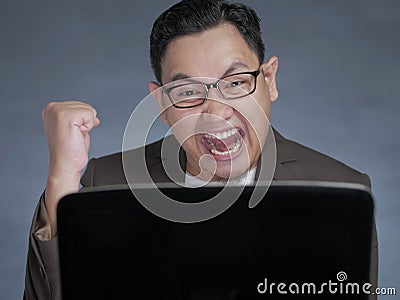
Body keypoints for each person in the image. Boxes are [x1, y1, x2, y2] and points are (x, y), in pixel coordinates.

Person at [24, 0, 378, 299]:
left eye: (236, 82)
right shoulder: (107, 184)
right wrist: (62, 177)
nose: (216, 111)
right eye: (189, 91)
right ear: (160, 103)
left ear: (268, 81)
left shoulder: (342, 191)